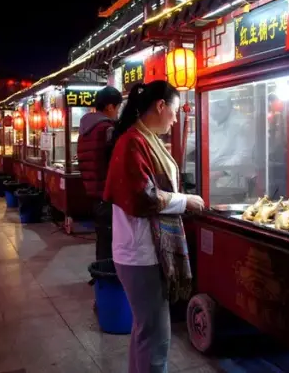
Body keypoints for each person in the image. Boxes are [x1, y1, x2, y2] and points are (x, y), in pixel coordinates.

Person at [104, 80, 205, 373]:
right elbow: (143, 197)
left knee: (145, 332)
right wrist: (185, 201)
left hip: (142, 252)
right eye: (174, 111)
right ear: (160, 106)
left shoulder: (145, 139)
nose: (175, 119)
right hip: (141, 254)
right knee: (157, 339)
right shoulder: (133, 141)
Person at [77, 86, 123, 261]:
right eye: (118, 108)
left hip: (94, 192)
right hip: (108, 192)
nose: (118, 113)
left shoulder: (85, 129)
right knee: (111, 241)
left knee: (103, 238)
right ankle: (108, 280)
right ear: (110, 107)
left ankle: (102, 278)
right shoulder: (106, 129)